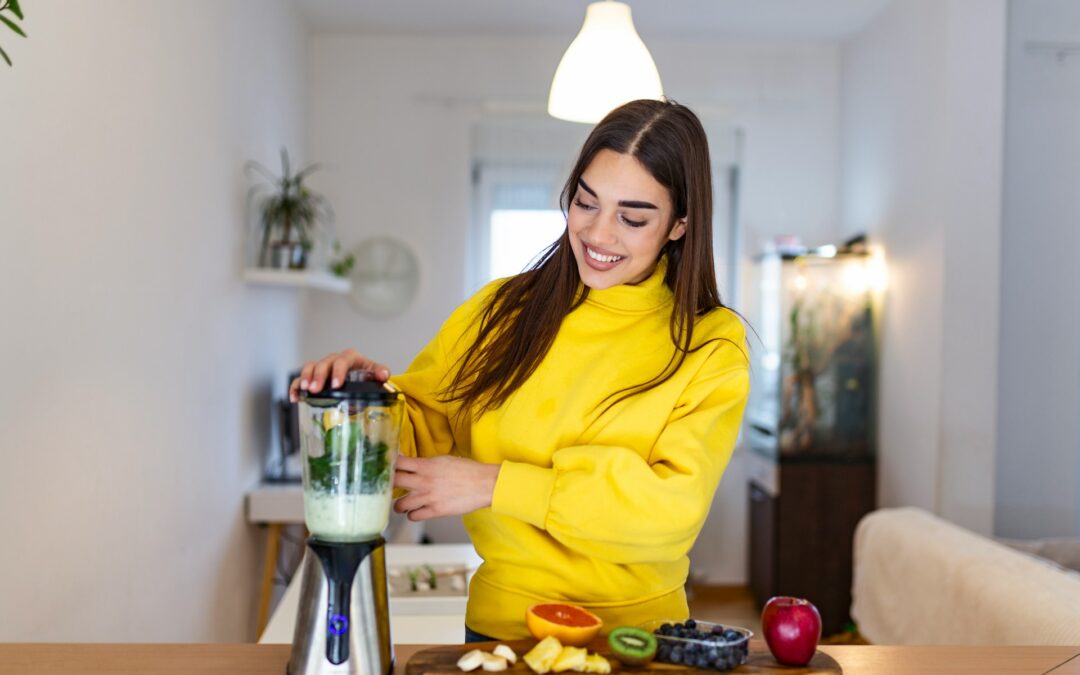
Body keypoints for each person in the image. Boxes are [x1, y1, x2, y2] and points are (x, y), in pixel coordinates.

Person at [290, 99, 750, 642]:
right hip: (500, 631)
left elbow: (669, 514)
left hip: (641, 639)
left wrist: (497, 485)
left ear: (679, 224)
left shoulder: (710, 343)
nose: (599, 234)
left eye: (632, 217)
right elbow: (416, 436)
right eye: (585, 202)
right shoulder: (499, 311)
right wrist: (363, 398)